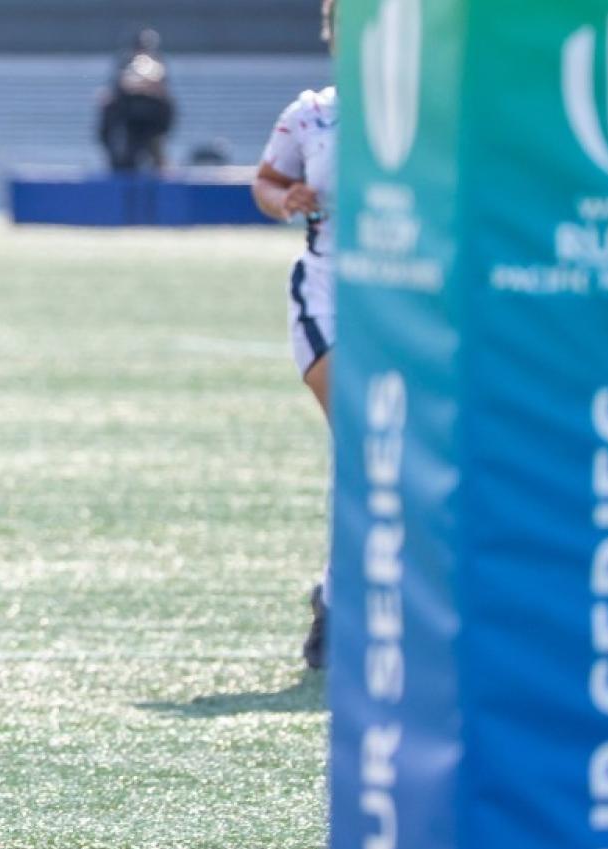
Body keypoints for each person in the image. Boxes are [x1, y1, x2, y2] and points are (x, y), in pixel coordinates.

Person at [251, 0, 336, 669]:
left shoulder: (437, 108)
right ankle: (345, 604)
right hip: (330, 292)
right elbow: (268, 179)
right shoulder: (314, 112)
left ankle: (344, 594)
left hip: (411, 294)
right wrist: (286, 200)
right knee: (365, 436)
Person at [97, 27, 176, 172]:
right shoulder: (126, 63)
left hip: (151, 121)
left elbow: (160, 89)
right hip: (130, 120)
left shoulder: (158, 63)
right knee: (127, 159)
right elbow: (122, 86)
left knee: (156, 159)